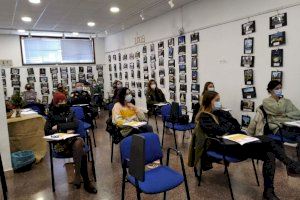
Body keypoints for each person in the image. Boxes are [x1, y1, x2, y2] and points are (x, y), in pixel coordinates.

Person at [189, 91, 300, 200]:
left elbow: (236, 125)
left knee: (269, 153)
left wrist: (226, 120)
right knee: (269, 141)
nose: (219, 102)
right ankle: (291, 165)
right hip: (227, 147)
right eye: (217, 100)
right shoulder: (204, 117)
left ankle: (269, 191)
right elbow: (218, 130)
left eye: (219, 100)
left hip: (239, 142)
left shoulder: (221, 113)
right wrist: (228, 126)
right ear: (209, 102)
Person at [44, 92, 97, 194]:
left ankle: (77, 176)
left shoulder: (70, 111)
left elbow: (75, 124)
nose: (62, 103)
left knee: (78, 143)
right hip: (59, 144)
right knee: (82, 150)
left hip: (71, 140)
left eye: (63, 100)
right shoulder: (51, 114)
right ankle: (86, 182)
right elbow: (47, 131)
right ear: (55, 103)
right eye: (59, 101)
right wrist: (65, 129)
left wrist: (58, 127)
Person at [263, 80, 300, 159]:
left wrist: (286, 114)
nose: (279, 90)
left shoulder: (287, 101)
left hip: (291, 126)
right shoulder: (266, 101)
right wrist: (282, 101)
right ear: (270, 90)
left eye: (280, 88)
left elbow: (298, 113)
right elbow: (277, 109)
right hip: (278, 128)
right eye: (277, 88)